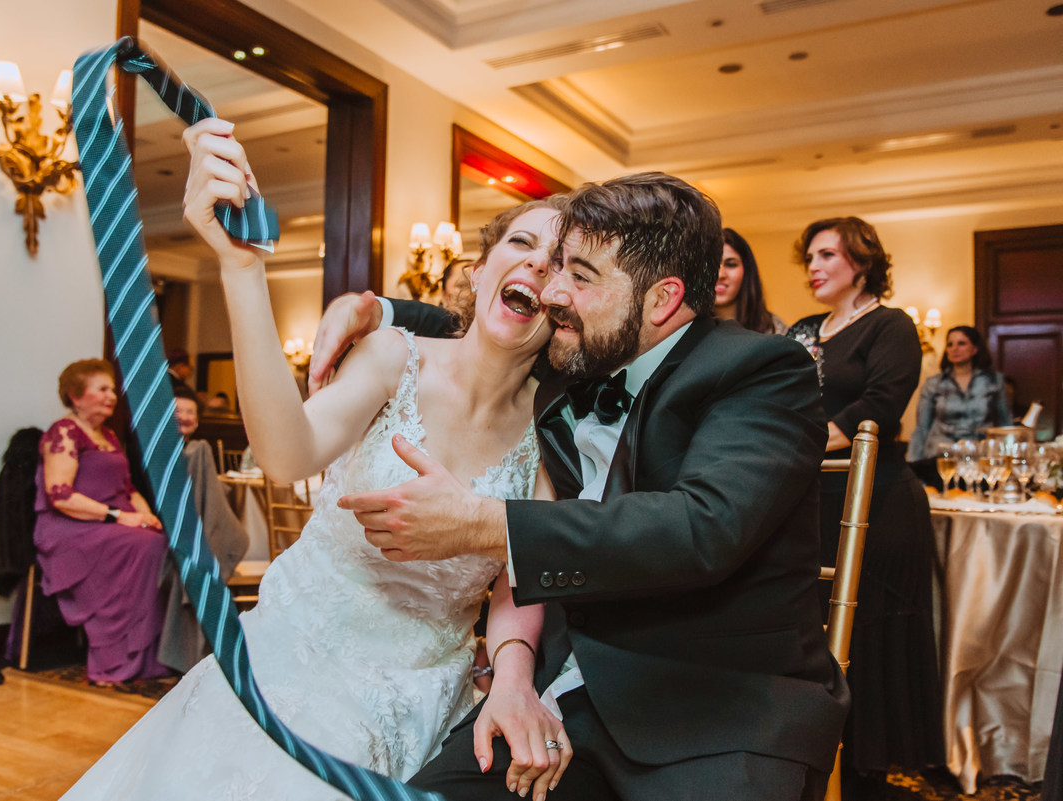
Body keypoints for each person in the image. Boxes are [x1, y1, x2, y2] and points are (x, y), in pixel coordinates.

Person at [61, 118, 571, 801]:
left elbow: (519, 578)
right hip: (295, 664)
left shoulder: (551, 432)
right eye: (522, 241)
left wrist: (512, 676)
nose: (539, 263)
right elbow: (285, 451)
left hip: (426, 700)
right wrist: (244, 270)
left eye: (561, 261)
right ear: (477, 273)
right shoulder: (393, 356)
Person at [315, 172, 850, 801]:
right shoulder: (578, 353)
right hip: (558, 702)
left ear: (661, 300)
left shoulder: (760, 370)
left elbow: (703, 527)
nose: (552, 292)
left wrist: (484, 523)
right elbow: (484, 321)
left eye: (580, 275)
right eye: (556, 268)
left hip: (715, 713)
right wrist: (377, 308)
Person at [786, 216, 943, 797]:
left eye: (828, 255)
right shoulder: (803, 329)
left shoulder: (891, 325)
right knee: (817, 626)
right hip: (811, 499)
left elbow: (879, 405)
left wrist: (792, 440)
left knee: (868, 631)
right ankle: (816, 750)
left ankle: (867, 767)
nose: (815, 267)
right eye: (810, 257)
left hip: (878, 503)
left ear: (862, 262)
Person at [33, 359, 170, 684]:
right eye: (102, 389)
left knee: (159, 538)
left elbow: (127, 487)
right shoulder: (64, 432)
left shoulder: (107, 434)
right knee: (149, 546)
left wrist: (146, 515)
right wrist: (121, 516)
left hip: (113, 521)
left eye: (112, 389)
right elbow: (60, 495)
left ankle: (152, 654)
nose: (112, 395)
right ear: (76, 396)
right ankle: (115, 659)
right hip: (73, 527)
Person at [157, 384, 250, 672]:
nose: (185, 416)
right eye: (178, 411)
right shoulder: (179, 452)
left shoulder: (193, 451)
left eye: (190, 411)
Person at [907, 324, 1012, 461]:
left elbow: (1006, 425)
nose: (954, 349)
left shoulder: (993, 381)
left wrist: (1010, 459)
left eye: (961, 343)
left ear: (975, 349)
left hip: (981, 457)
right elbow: (922, 428)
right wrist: (914, 464)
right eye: (950, 344)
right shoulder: (934, 384)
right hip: (941, 457)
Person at [716, 227, 786, 334]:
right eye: (712, 266)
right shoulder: (684, 328)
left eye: (731, 264)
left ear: (747, 271)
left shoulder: (774, 329)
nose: (720, 274)